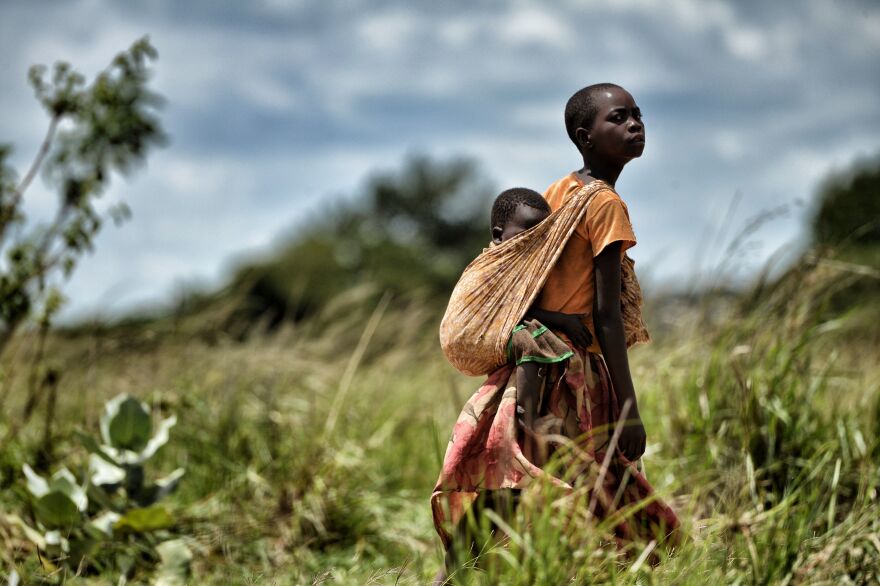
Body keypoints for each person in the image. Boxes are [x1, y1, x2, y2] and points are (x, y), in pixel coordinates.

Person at [431, 83, 680, 584]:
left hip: (531, 359)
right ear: (585, 136)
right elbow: (607, 315)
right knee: (600, 495)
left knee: (510, 490)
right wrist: (628, 408)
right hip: (571, 372)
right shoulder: (604, 203)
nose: (635, 124)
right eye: (619, 118)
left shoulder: (557, 192)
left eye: (637, 115)